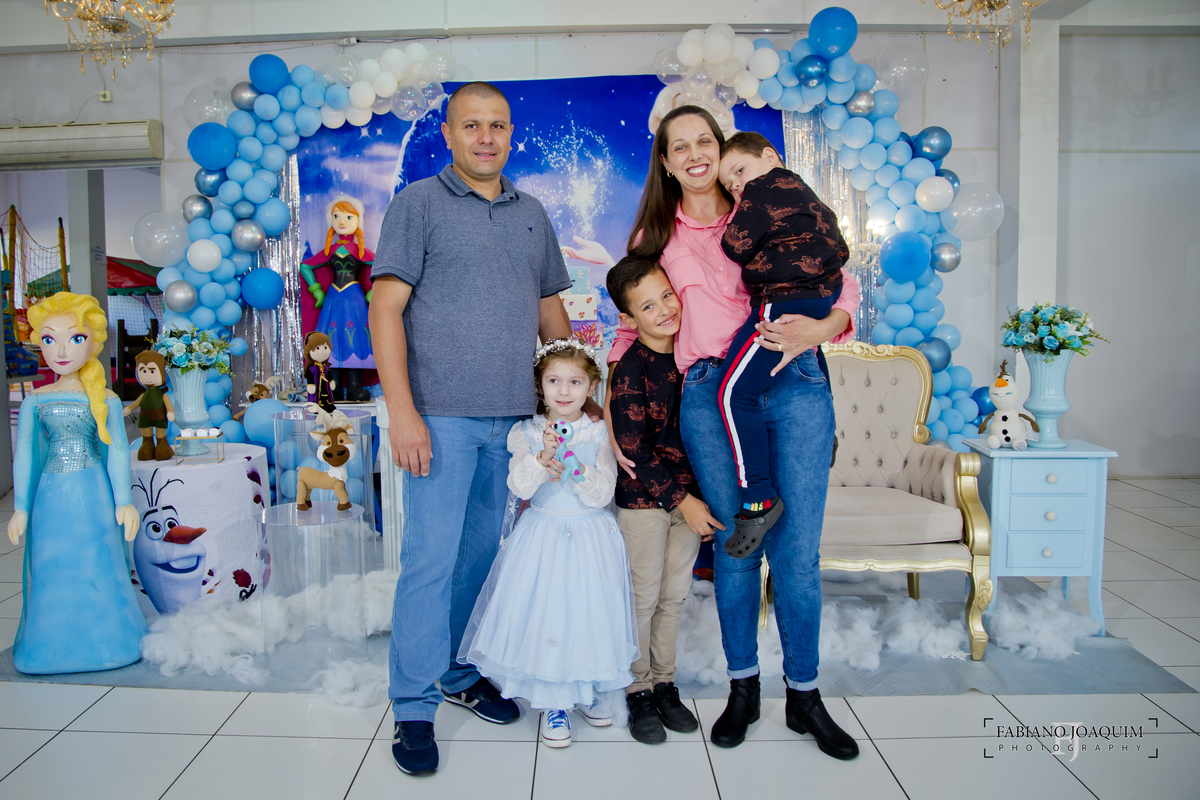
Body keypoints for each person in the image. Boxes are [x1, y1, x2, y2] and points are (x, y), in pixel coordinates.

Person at [609, 105, 861, 760]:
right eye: (679, 146)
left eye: (705, 141)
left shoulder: (769, 203)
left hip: (794, 380)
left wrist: (823, 327)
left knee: (797, 555)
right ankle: (742, 689)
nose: (695, 154)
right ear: (666, 163)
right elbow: (632, 323)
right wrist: (609, 408)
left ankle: (804, 697)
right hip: (709, 395)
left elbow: (842, 285)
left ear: (722, 150)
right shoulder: (656, 235)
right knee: (735, 549)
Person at [369, 81, 577, 776]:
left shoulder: (532, 213)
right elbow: (384, 309)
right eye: (471, 125)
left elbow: (549, 312)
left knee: (481, 558)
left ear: (510, 133)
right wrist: (403, 412)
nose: (486, 137)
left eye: (497, 126)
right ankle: (413, 706)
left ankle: (458, 674)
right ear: (450, 134)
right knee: (430, 561)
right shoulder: (418, 204)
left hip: (513, 420)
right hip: (440, 417)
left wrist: (575, 399)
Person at [459, 339, 637, 749]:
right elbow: (519, 486)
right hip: (542, 533)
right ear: (540, 385)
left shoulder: (599, 431)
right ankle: (553, 702)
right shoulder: (525, 431)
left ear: (591, 386)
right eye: (554, 381)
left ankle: (584, 689)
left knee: (586, 613)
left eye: (575, 382)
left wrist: (575, 467)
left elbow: (602, 493)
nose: (564, 391)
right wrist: (541, 459)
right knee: (549, 614)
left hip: (590, 535)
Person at [605, 255, 724, 744]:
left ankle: (664, 681)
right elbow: (632, 448)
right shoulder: (630, 370)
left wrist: (700, 497)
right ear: (629, 319)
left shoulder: (695, 357)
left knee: (675, 596)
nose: (664, 310)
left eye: (667, 296)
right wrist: (683, 502)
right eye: (648, 306)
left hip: (690, 499)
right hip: (645, 503)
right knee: (643, 596)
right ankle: (636, 688)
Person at [715, 131, 849, 555]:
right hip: (819, 297)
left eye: (740, 171)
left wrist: (739, 219)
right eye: (730, 185)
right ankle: (826, 435)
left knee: (733, 394)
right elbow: (842, 252)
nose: (738, 186)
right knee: (810, 352)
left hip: (783, 298)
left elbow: (735, 246)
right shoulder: (815, 201)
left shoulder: (763, 188)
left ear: (770, 156)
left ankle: (758, 498)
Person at [8, 292, 146, 674]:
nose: (61, 350)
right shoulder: (37, 401)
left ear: (92, 342)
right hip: (51, 497)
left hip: (94, 494)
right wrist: (21, 508)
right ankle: (50, 645)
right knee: (53, 564)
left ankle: (109, 640)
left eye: (75, 338)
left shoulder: (106, 400)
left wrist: (123, 501)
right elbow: (24, 455)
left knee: (97, 560)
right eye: (49, 339)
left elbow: (118, 450)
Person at [301, 195, 375, 402]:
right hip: (333, 300)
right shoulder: (330, 251)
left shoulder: (361, 251)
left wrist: (373, 292)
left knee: (355, 340)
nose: (342, 221)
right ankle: (333, 388)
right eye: (337, 216)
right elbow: (305, 266)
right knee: (331, 340)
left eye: (348, 217)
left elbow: (383, 267)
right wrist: (317, 291)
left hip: (355, 301)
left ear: (358, 220)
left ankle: (354, 387)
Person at [123, 349, 176, 461]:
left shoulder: (163, 396)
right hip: (145, 418)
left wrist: (170, 412)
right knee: (146, 437)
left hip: (159, 417)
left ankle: (162, 446)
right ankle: (147, 446)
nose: (147, 376)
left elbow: (168, 404)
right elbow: (135, 404)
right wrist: (128, 409)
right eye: (143, 371)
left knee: (161, 437)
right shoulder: (143, 395)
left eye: (152, 372)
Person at [302, 331, 336, 413]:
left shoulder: (325, 367)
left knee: (326, 395)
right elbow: (310, 377)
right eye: (318, 348)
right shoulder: (312, 369)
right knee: (317, 396)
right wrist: (311, 385)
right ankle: (318, 405)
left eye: (325, 347)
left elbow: (328, 375)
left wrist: (331, 381)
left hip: (325, 386)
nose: (323, 352)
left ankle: (327, 404)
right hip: (317, 387)